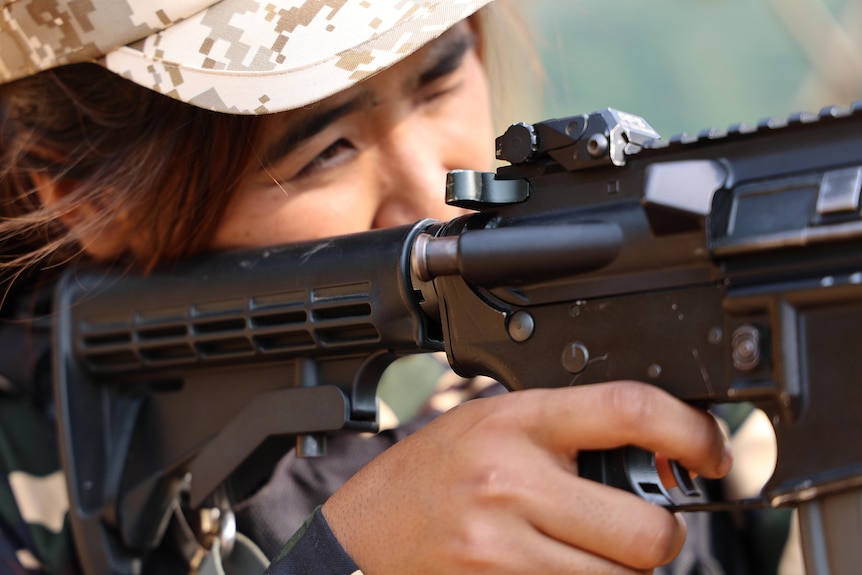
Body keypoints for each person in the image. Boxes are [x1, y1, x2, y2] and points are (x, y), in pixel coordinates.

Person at [0, 1, 739, 573]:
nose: (428, 191)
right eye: (326, 150)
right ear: (82, 197)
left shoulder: (642, 324)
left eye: (440, 79)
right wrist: (352, 555)